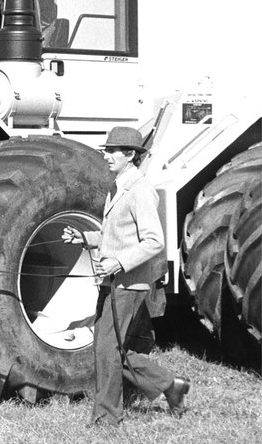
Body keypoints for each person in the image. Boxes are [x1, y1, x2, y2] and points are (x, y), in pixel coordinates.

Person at [62, 126, 191, 427]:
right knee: (111, 347)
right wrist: (84, 237)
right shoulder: (118, 186)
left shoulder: (140, 190)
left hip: (129, 283)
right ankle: (171, 385)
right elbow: (115, 235)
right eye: (106, 150)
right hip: (114, 281)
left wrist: (118, 263)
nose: (106, 155)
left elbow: (153, 241)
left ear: (130, 155)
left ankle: (107, 418)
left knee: (107, 348)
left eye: (112, 151)